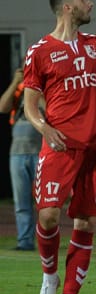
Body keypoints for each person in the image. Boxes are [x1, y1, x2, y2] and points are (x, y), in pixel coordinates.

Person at [24, 0, 96, 294]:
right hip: (60, 144)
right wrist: (44, 127)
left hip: (95, 146)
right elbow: (30, 102)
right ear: (66, 7)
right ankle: (50, 276)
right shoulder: (40, 51)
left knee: (86, 221)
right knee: (48, 215)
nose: (90, 4)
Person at [2, 67, 38, 251]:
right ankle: (25, 241)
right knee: (21, 201)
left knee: (45, 202)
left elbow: (50, 111)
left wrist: (36, 89)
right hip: (17, 153)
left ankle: (48, 239)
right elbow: (3, 106)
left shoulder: (44, 89)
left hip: (40, 152)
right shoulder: (18, 90)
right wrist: (16, 82)